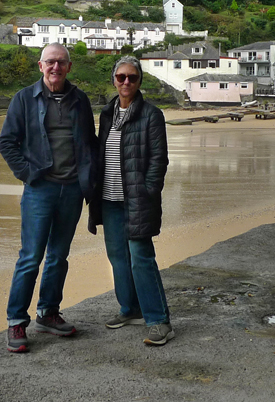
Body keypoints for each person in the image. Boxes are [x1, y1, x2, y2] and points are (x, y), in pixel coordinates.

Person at [0, 43, 98, 353]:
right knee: (30, 257)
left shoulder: (79, 100)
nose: (55, 67)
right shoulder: (24, 99)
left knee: (59, 256)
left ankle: (48, 313)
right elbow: (7, 143)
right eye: (50, 62)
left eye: (61, 62)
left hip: (72, 190)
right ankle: (16, 320)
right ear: (40, 66)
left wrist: (89, 183)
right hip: (40, 190)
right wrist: (29, 174)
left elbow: (89, 144)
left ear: (69, 67)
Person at [88, 55, 174, 346]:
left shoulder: (151, 114)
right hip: (109, 198)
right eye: (121, 77)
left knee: (141, 259)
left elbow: (158, 160)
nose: (126, 82)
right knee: (118, 259)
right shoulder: (107, 113)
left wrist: (148, 190)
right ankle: (130, 309)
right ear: (113, 79)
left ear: (139, 81)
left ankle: (159, 320)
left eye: (132, 77)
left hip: (137, 199)